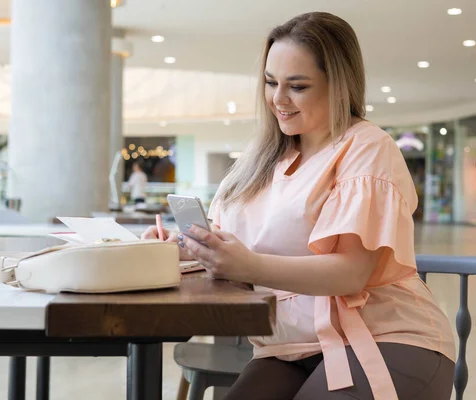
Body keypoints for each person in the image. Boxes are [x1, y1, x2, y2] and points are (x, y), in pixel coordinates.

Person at [143, 12, 455, 400]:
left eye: (298, 86)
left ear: (338, 85)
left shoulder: (367, 148)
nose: (278, 99)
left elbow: (351, 274)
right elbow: (230, 245)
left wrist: (247, 265)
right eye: (271, 82)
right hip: (287, 347)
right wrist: (183, 246)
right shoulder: (260, 161)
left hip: (388, 337)